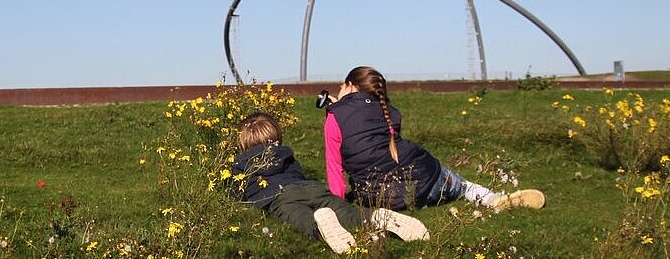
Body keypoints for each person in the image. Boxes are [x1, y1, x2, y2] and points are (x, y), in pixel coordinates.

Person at [324, 66, 546, 212]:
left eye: (342, 86)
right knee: (463, 187)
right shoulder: (388, 111)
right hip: (429, 179)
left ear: (351, 86)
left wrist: (339, 204)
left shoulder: (335, 117)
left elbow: (335, 167)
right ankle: (492, 199)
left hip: (383, 198)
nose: (340, 90)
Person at [231, 112, 428, 254]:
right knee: (347, 212)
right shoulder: (285, 154)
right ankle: (376, 216)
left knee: (298, 217)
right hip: (311, 188)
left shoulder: (241, 164)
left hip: (280, 197)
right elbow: (298, 174)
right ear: (276, 138)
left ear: (243, 143)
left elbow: (239, 192)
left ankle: (318, 225)